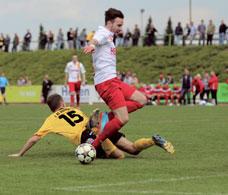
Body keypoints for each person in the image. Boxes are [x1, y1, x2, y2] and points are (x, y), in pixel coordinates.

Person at [8, 94, 174, 158]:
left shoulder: (50, 119)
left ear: (52, 108)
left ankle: (99, 131)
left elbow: (34, 139)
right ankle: (153, 140)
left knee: (120, 156)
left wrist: (20, 153)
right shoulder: (74, 109)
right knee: (133, 149)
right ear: (63, 103)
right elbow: (87, 120)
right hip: (101, 126)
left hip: (88, 136)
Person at [83, 8, 148, 150]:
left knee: (142, 100)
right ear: (109, 23)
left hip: (113, 80)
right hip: (106, 83)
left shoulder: (110, 35)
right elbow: (96, 39)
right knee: (123, 118)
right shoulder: (103, 33)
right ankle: (94, 145)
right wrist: (92, 44)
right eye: (118, 25)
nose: (120, 28)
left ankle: (106, 117)